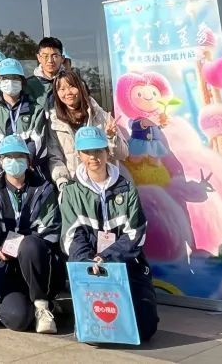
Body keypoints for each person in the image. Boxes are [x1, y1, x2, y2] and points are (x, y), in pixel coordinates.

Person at [60, 126, 159, 343]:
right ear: (79, 155)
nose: (93, 157)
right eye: (87, 152)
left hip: (124, 263)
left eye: (98, 150)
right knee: (94, 334)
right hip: (89, 268)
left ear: (107, 152)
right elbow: (71, 235)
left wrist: (107, 257)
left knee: (146, 328)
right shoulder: (71, 191)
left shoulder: (127, 188)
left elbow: (135, 233)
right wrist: (89, 262)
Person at [0, 135, 62, 334]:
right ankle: (27, 308)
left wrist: (17, 245)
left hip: (36, 262)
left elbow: (50, 230)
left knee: (30, 244)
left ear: (28, 160)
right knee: (18, 320)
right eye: (8, 157)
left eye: (19, 156)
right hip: (5, 267)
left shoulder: (43, 189)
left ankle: (42, 305)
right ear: (0, 162)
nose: (14, 161)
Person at [47, 69, 127, 192]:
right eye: (62, 89)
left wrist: (111, 138)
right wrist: (63, 183)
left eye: (72, 86)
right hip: (75, 187)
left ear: (81, 87)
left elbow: (123, 154)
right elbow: (54, 157)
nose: (68, 92)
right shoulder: (54, 121)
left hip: (105, 184)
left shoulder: (101, 116)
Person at [0, 58, 49, 180]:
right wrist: (5, 163)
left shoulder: (36, 109)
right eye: (5, 78)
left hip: (29, 169)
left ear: (22, 81)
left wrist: (23, 163)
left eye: (15, 78)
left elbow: (38, 142)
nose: (10, 82)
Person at [25, 38, 64, 111]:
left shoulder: (72, 83)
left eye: (55, 56)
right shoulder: (28, 84)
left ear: (62, 58)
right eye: (45, 56)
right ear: (39, 58)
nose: (50, 60)